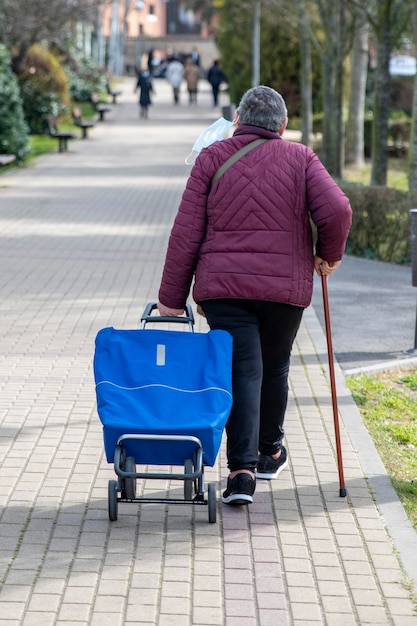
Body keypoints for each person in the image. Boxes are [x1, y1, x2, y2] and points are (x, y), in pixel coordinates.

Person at [157, 86, 352, 506]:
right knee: (275, 365)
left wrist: (171, 298)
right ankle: (270, 453)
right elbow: (337, 210)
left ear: (238, 121)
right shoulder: (301, 158)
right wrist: (327, 256)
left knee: (242, 370)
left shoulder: (212, 158)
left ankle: (241, 472)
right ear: (282, 126)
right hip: (284, 289)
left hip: (224, 289)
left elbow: (186, 233)